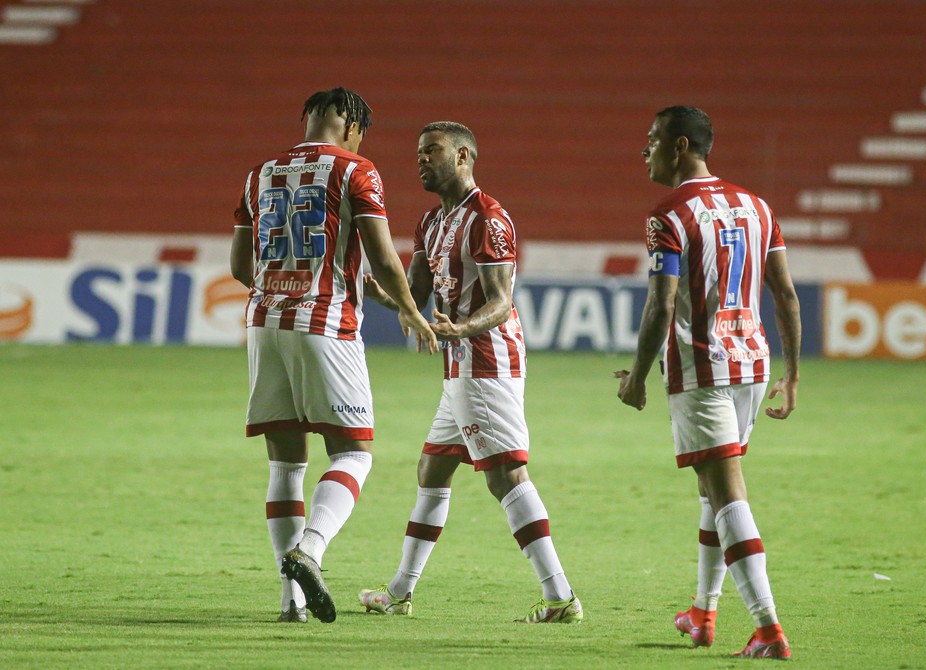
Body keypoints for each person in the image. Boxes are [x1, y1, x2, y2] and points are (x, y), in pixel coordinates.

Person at [358, 121, 582, 624]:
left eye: (431, 151)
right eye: (418, 151)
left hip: (485, 363)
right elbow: (414, 295)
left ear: (463, 157)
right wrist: (382, 296)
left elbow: (501, 302)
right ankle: (399, 590)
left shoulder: (488, 219)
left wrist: (459, 329)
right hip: (459, 366)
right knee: (432, 469)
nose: (420, 159)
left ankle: (560, 597)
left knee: (506, 477)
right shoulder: (431, 223)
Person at [229, 87, 438, 625]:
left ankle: (289, 603)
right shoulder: (355, 170)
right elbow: (384, 256)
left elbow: (239, 264)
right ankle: (311, 551)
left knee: (286, 462)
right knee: (354, 453)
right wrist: (411, 311)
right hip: (324, 323)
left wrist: (287, 282)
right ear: (350, 125)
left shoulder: (260, 173)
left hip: (263, 320)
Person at [615, 106, 801, 659]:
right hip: (753, 363)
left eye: (650, 140)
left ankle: (768, 629)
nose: (642, 150)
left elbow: (661, 302)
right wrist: (792, 375)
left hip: (703, 367)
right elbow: (786, 293)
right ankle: (703, 611)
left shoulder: (668, 214)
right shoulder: (758, 206)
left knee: (726, 492)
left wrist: (638, 378)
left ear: (679, 146)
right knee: (711, 488)